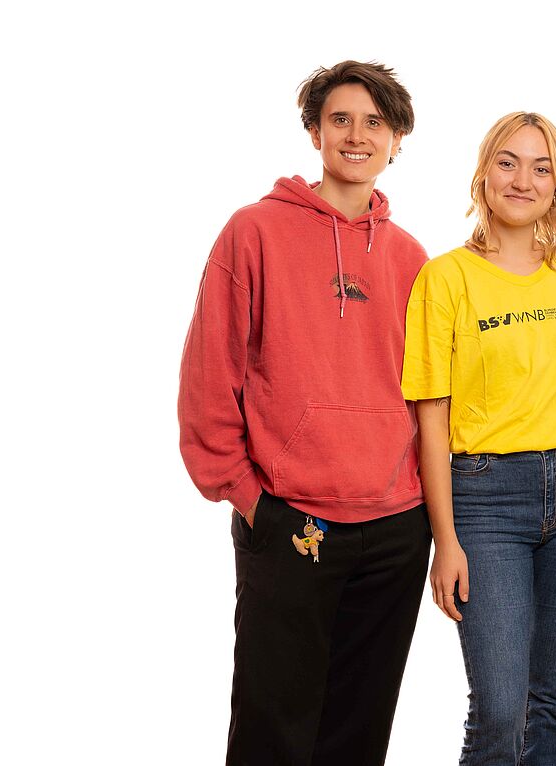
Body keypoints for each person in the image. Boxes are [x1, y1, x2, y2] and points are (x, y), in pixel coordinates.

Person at [178, 60, 432, 766]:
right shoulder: (253, 233)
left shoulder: (412, 258)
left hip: (394, 528)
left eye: (375, 122)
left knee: (358, 733)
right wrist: (250, 498)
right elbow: (209, 376)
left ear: (398, 139)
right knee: (272, 732)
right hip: (292, 520)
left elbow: (430, 395)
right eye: (341, 119)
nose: (358, 136)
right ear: (316, 132)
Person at [402, 112, 556, 765]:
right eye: (508, 161)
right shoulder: (446, 280)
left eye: (541, 166)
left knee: (553, 696)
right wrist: (446, 541)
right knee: (499, 707)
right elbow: (430, 421)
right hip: (485, 502)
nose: (523, 179)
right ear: (483, 174)